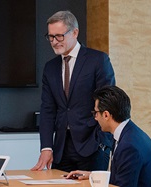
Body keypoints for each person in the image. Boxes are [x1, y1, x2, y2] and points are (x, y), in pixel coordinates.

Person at [31, 10, 116, 172]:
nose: (54, 41)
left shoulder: (98, 60)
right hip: (62, 148)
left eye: (59, 36)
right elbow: (48, 109)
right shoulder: (50, 68)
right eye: (51, 37)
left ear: (75, 32)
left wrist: (102, 141)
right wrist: (46, 148)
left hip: (93, 144)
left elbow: (108, 102)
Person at [64, 86, 151, 187]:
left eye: (96, 113)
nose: (95, 118)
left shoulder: (129, 146)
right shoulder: (130, 134)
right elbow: (122, 175)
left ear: (106, 115)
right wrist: (92, 175)